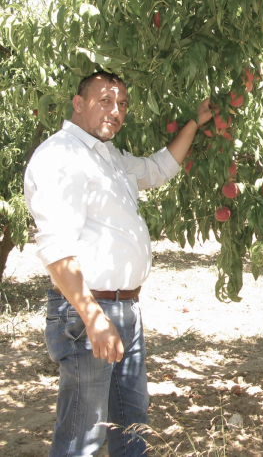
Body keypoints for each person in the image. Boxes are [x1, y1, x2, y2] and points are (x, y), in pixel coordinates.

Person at [24, 71, 213, 457]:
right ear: (79, 104)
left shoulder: (109, 156)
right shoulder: (61, 156)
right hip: (87, 312)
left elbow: (159, 168)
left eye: (122, 104)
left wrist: (195, 121)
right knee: (83, 437)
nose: (115, 111)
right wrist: (94, 319)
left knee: (131, 425)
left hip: (124, 309)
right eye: (105, 101)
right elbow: (57, 249)